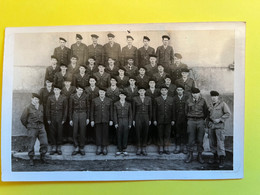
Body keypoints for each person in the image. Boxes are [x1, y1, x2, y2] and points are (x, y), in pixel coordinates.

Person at [20, 93, 48, 166]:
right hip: (32, 128)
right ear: (32, 99)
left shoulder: (41, 107)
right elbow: (23, 118)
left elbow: (44, 117)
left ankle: (43, 157)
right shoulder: (28, 107)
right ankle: (31, 159)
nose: (36, 101)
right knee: (31, 144)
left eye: (38, 99)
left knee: (44, 142)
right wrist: (28, 126)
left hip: (41, 127)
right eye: (35, 99)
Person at [207, 90, 231, 168]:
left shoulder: (222, 104)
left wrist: (220, 119)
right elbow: (208, 115)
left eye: (215, 96)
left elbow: (228, 113)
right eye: (212, 96)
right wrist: (207, 124)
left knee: (220, 143)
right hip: (211, 126)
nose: (213, 98)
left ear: (218, 97)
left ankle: (222, 159)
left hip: (219, 127)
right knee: (212, 143)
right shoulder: (210, 105)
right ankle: (215, 157)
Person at [185, 87, 208, 164]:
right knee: (190, 139)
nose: (195, 95)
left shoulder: (203, 101)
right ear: (192, 94)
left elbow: (206, 111)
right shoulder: (188, 101)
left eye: (197, 93)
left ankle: (199, 156)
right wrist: (189, 119)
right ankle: (190, 155)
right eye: (194, 93)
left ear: (199, 93)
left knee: (200, 139)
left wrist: (201, 119)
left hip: (200, 121)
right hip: (191, 121)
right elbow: (186, 111)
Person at [46, 84, 68, 155]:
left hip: (60, 117)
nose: (56, 91)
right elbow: (48, 109)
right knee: (52, 132)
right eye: (55, 90)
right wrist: (48, 118)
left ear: (60, 91)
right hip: (52, 117)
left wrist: (64, 119)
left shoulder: (63, 98)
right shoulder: (50, 98)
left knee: (60, 131)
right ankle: (53, 146)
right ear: (53, 90)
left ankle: (59, 147)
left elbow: (65, 109)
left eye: (58, 90)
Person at [91, 87, 113, 155]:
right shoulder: (94, 100)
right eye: (100, 92)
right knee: (98, 134)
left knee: (105, 133)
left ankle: (104, 147)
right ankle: (99, 147)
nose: (102, 94)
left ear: (105, 93)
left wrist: (111, 120)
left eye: (103, 92)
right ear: (99, 93)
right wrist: (92, 120)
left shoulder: (109, 100)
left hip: (106, 119)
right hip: (97, 119)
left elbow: (111, 111)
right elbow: (92, 111)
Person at [153, 84, 175, 154]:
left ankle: (166, 147)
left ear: (167, 91)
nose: (164, 91)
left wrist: (173, 119)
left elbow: (173, 110)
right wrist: (155, 120)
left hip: (168, 120)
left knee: (167, 134)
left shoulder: (171, 99)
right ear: (160, 91)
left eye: (165, 90)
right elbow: (154, 110)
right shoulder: (157, 99)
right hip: (159, 120)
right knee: (160, 134)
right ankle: (161, 148)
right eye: (162, 90)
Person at [69, 84, 90, 156]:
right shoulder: (72, 97)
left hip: (83, 114)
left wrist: (87, 118)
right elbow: (70, 108)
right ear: (76, 89)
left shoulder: (85, 96)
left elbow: (88, 107)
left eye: (81, 90)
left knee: (82, 131)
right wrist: (71, 119)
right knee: (75, 131)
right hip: (75, 114)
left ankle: (81, 147)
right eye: (79, 90)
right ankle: (76, 146)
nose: (80, 91)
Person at [133, 87, 152, 155]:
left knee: (145, 132)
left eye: (143, 90)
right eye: (140, 91)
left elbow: (150, 110)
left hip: (146, 116)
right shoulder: (135, 99)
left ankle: (144, 147)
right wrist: (133, 120)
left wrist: (149, 119)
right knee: (138, 132)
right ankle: (138, 148)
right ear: (138, 92)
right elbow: (133, 110)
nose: (141, 92)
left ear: (145, 91)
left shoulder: (148, 99)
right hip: (138, 116)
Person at [114, 90, 132, 156]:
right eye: (121, 95)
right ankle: (119, 149)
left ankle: (124, 149)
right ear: (119, 96)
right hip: (119, 120)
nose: (122, 97)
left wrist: (130, 123)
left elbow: (130, 114)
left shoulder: (128, 104)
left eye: (123, 96)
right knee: (119, 134)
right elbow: (115, 114)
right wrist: (115, 123)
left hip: (126, 120)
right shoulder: (116, 104)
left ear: (125, 96)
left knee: (125, 135)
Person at [172, 85, 189, 154]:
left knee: (184, 132)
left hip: (185, 117)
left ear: (183, 90)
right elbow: (172, 110)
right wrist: (173, 119)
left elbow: (188, 108)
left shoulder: (187, 98)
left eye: (181, 90)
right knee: (177, 132)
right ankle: (178, 146)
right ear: (176, 91)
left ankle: (184, 146)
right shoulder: (174, 98)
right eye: (178, 90)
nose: (179, 91)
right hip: (177, 117)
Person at [145, 78, 161, 144]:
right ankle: (149, 139)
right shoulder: (146, 91)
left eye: (153, 83)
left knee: (156, 124)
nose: (152, 84)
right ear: (149, 84)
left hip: (157, 108)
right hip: (148, 108)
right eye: (150, 83)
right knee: (149, 124)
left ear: (155, 84)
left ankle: (155, 139)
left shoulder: (158, 91)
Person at [61, 78, 76, 143]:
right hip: (64, 107)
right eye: (66, 82)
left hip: (72, 106)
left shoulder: (73, 89)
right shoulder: (62, 89)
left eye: (68, 82)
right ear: (64, 83)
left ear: (70, 83)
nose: (67, 83)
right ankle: (64, 137)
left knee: (71, 120)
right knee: (64, 121)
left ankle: (70, 137)